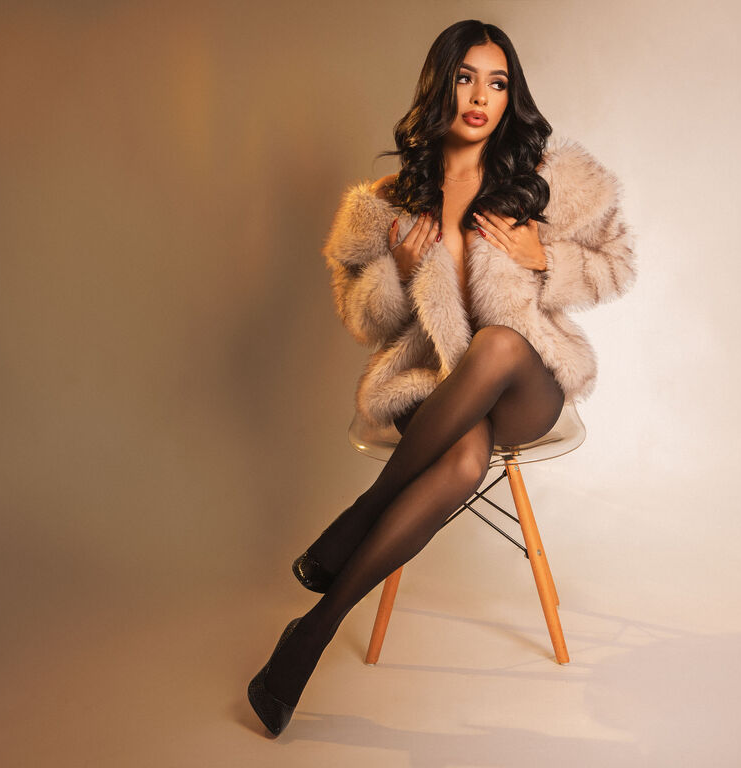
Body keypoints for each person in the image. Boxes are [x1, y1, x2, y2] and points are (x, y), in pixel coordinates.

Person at [247, 19, 636, 736]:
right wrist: (396, 273)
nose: (481, 97)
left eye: (497, 82)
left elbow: (619, 266)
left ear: (511, 95)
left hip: (523, 386)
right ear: (441, 86)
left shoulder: (546, 183)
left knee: (498, 346)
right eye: (466, 78)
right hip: (431, 390)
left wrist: (547, 260)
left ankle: (361, 515)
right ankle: (311, 635)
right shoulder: (392, 200)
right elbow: (363, 318)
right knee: (461, 462)